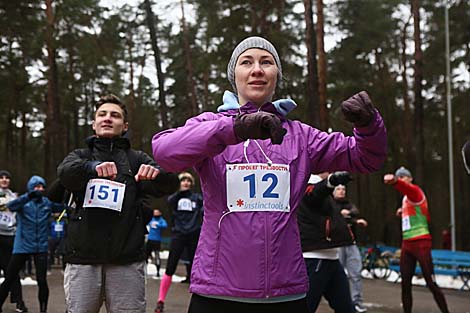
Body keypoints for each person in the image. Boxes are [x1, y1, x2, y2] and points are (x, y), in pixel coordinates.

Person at [152, 36, 387, 313]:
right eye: (246, 62)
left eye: (267, 62)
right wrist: (235, 129)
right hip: (218, 293)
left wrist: (369, 125)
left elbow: (365, 158)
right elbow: (164, 150)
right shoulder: (211, 126)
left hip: (284, 294)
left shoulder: (300, 136)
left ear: (277, 75)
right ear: (234, 75)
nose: (257, 69)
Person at [57, 94, 179, 313]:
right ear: (94, 124)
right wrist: (92, 168)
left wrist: (157, 175)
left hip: (126, 262)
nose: (107, 118)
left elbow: (170, 184)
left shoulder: (136, 159)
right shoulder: (80, 156)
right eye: (102, 115)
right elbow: (64, 174)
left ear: (124, 126)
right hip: (83, 261)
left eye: (115, 115)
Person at [383, 166, 449, 313]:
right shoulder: (405, 199)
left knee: (430, 282)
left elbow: (408, 190)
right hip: (407, 244)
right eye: (398, 177)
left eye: (403, 177)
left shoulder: (416, 191)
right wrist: (402, 213)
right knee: (405, 284)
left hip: (421, 243)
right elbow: (416, 212)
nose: (401, 179)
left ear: (410, 179)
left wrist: (395, 182)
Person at [0, 175, 63, 313]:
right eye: (36, 186)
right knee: (9, 277)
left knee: (42, 280)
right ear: (30, 188)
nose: (39, 189)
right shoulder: (23, 202)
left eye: (42, 187)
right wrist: (28, 196)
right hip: (22, 245)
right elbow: (11, 206)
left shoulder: (46, 203)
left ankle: (43, 309)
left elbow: (62, 207)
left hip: (40, 246)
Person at [297, 172, 355, 313]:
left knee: (346, 308)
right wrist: (331, 180)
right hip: (314, 259)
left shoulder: (321, 188)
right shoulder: (306, 182)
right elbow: (315, 193)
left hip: (331, 259)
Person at [155, 172, 203, 313]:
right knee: (170, 267)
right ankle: (160, 301)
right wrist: (178, 189)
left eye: (189, 180)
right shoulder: (174, 199)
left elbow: (205, 207)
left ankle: (198, 303)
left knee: (196, 269)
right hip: (179, 235)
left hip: (194, 235)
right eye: (183, 180)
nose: (186, 182)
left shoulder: (197, 198)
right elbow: (169, 200)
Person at [333, 184, 368, 312]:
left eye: (343, 189)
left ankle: (357, 301)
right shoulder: (330, 204)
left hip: (351, 243)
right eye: (338, 189)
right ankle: (338, 301)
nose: (341, 192)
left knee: (356, 273)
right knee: (336, 275)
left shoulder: (348, 204)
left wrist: (352, 218)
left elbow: (355, 212)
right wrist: (340, 214)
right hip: (337, 244)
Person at [0, 170, 27, 312]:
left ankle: (19, 301)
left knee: (12, 270)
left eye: (7, 178)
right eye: (1, 178)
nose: (4, 180)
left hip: (10, 236)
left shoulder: (14, 196)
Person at [146, 208, 168, 277]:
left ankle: (158, 271)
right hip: (150, 239)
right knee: (146, 255)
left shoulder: (161, 220)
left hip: (157, 240)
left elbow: (165, 225)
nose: (155, 214)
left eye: (157, 213)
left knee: (157, 255)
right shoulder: (151, 219)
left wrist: (158, 224)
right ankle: (145, 270)